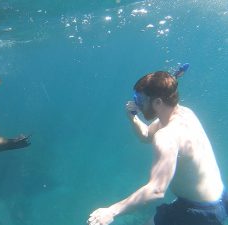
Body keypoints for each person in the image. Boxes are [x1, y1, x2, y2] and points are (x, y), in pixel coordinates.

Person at [87, 71, 228, 225]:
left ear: (158, 102)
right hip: (220, 199)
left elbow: (156, 190)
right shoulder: (185, 113)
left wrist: (111, 211)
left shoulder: (166, 136)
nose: (138, 104)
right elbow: (147, 135)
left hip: (200, 213)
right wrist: (132, 118)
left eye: (140, 99)